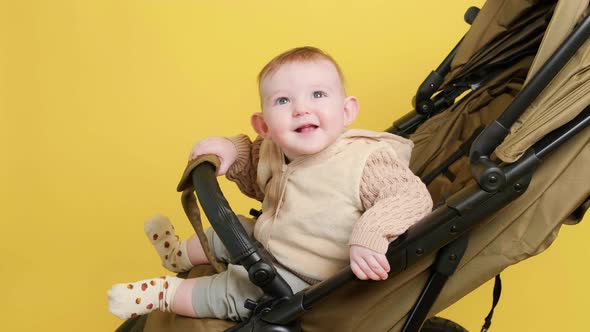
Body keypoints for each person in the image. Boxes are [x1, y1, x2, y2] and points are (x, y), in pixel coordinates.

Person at [108, 46, 433, 321]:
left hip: (308, 278)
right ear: (263, 124)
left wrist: (371, 234)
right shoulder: (275, 149)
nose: (301, 108)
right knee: (232, 226)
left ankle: (164, 293)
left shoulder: (365, 160)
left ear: (347, 111)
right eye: (282, 101)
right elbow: (254, 172)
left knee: (237, 289)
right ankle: (178, 254)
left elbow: (409, 196)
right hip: (271, 239)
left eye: (318, 94)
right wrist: (229, 150)